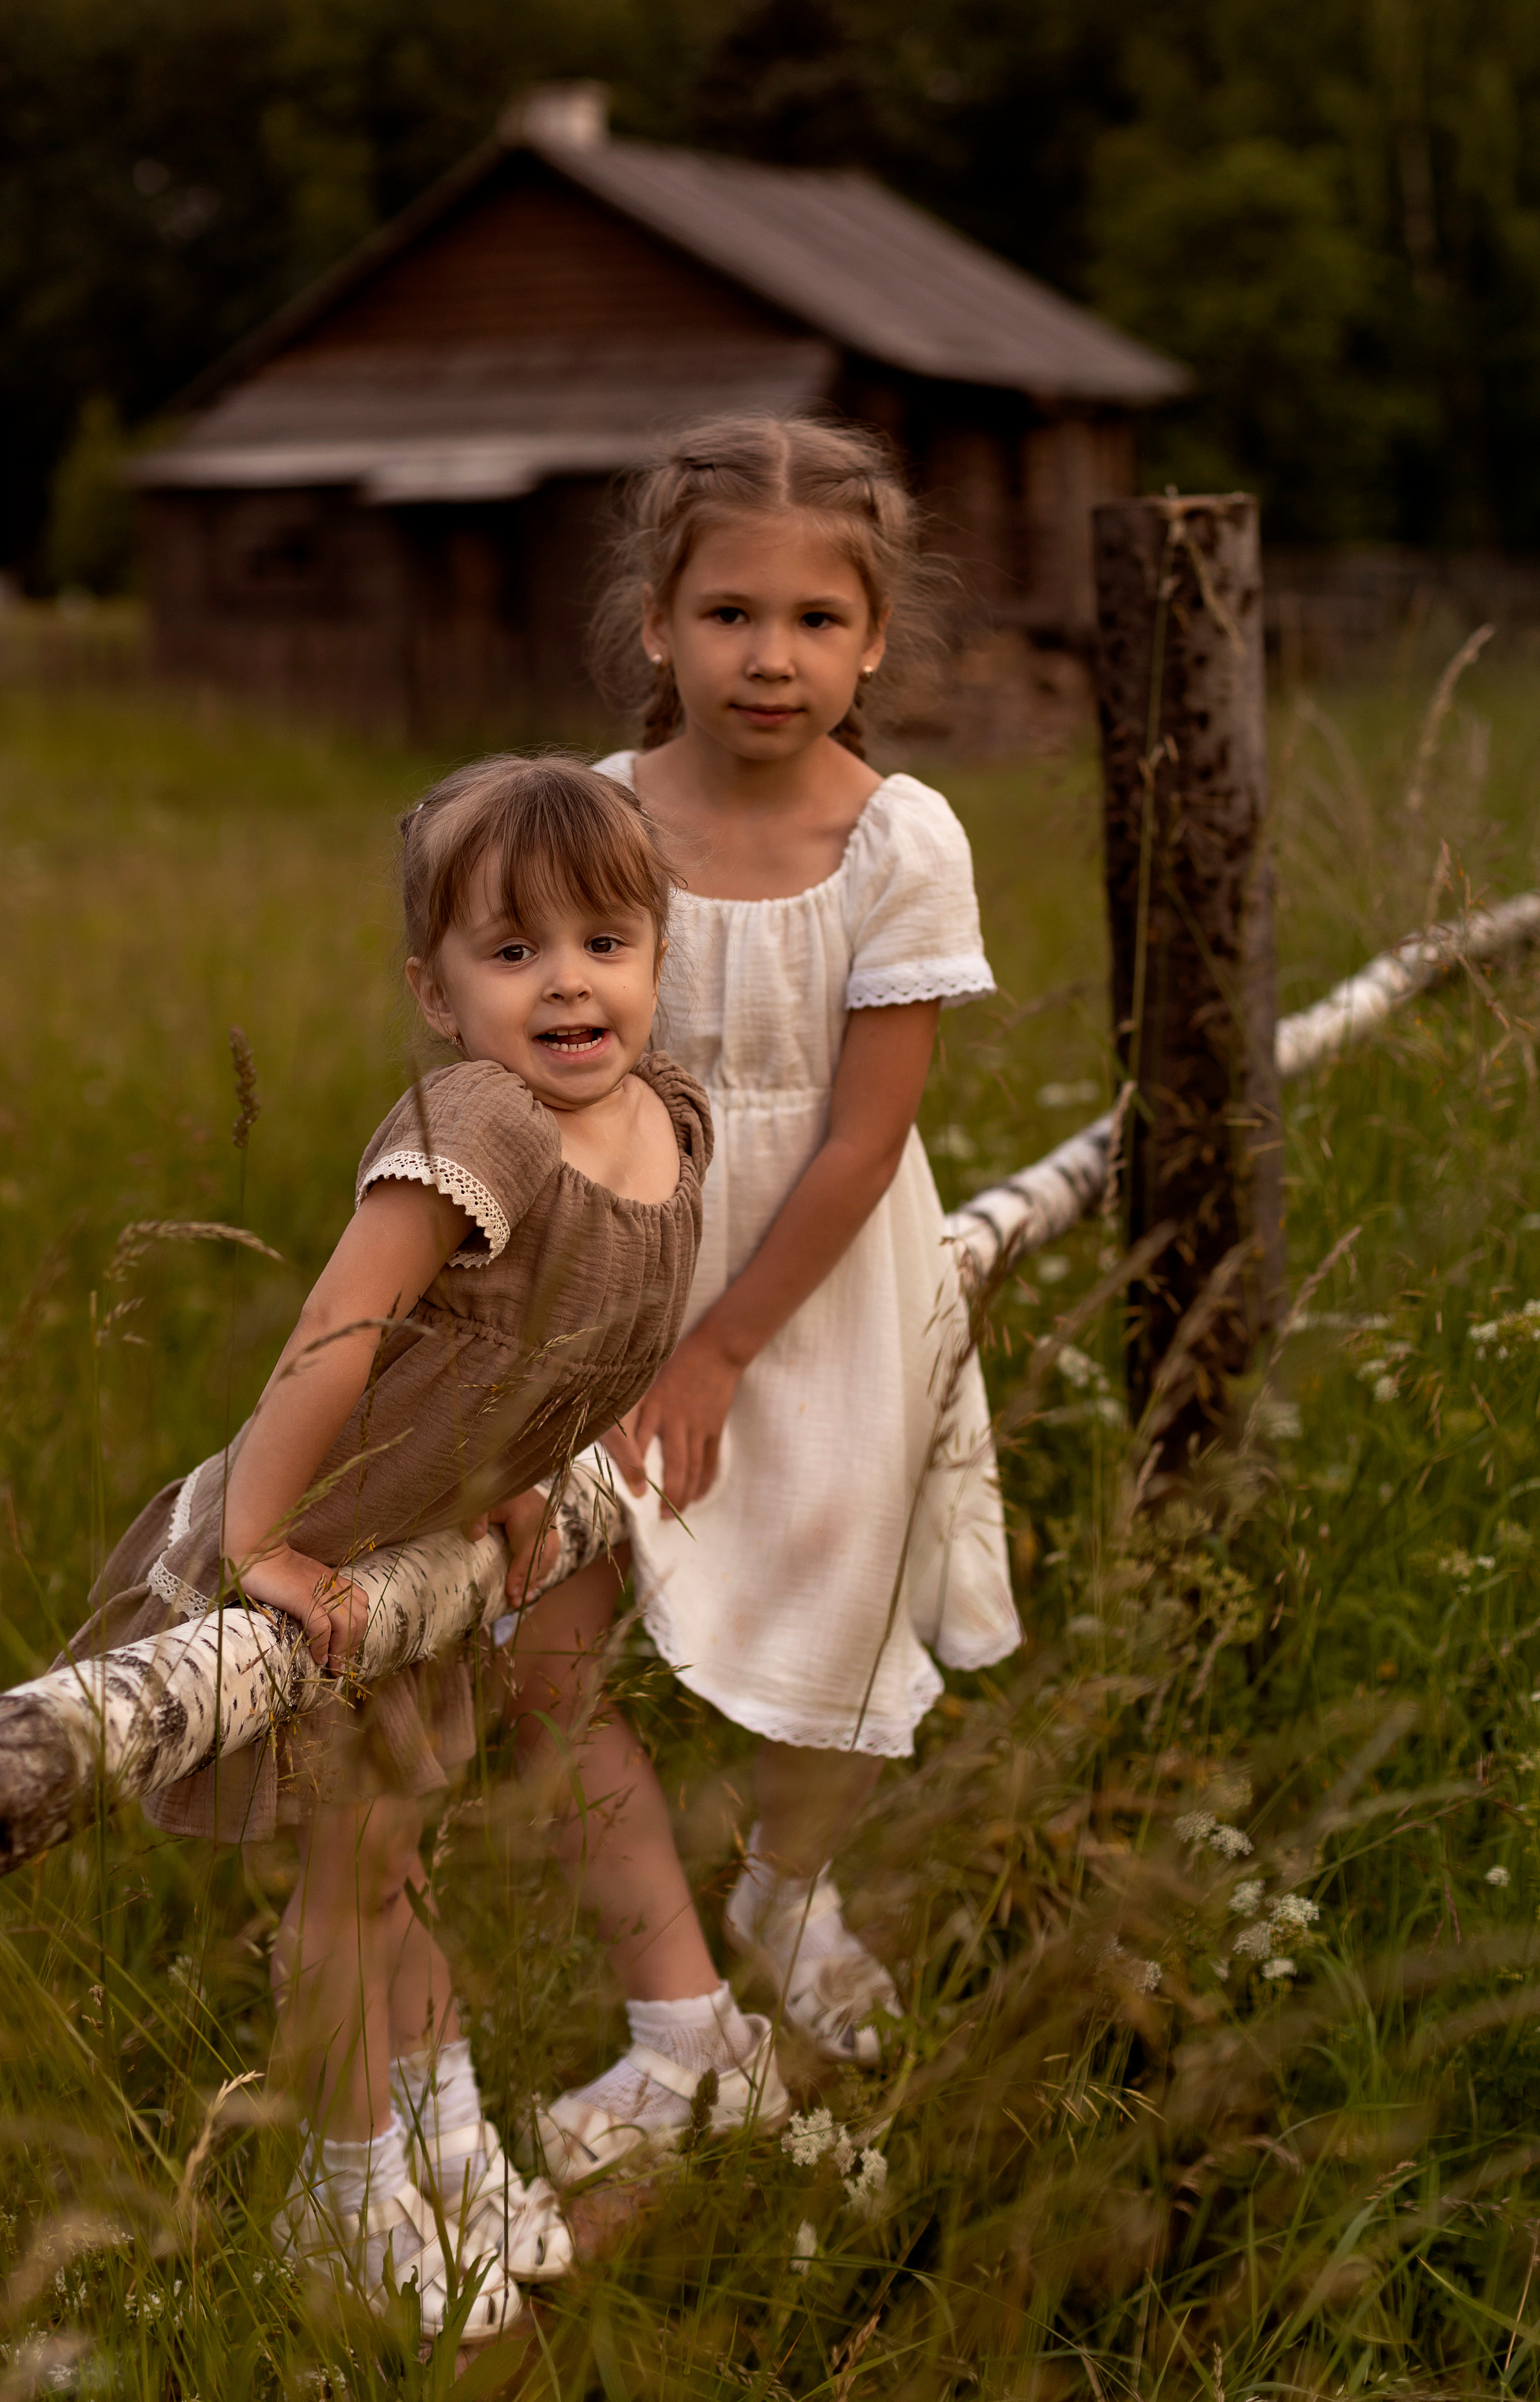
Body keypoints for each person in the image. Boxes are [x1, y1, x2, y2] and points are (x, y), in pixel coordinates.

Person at [67, 756, 767, 2336]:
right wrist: (262, 1539)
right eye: (509, 952)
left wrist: (524, 1476)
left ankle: (435, 2153)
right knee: (342, 1884)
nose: (566, 983)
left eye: (602, 941)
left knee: (390, 1862)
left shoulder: (666, 1122)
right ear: (438, 996)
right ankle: (344, 2188)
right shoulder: (485, 1126)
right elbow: (349, 1321)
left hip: (413, 1570)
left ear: (659, 954)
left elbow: (555, 1341)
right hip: (312, 1559)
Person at [505, 415, 1021, 2184]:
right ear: (657, 624)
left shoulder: (901, 841)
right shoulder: (588, 814)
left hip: (821, 1292)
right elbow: (539, 1073)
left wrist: (726, 1350)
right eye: (729, 611)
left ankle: (787, 1891)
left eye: (816, 619)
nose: (771, 655)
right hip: (608, 1293)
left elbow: (869, 1142)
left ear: (874, 641)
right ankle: (683, 2029)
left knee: (835, 1665)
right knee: (536, 1660)